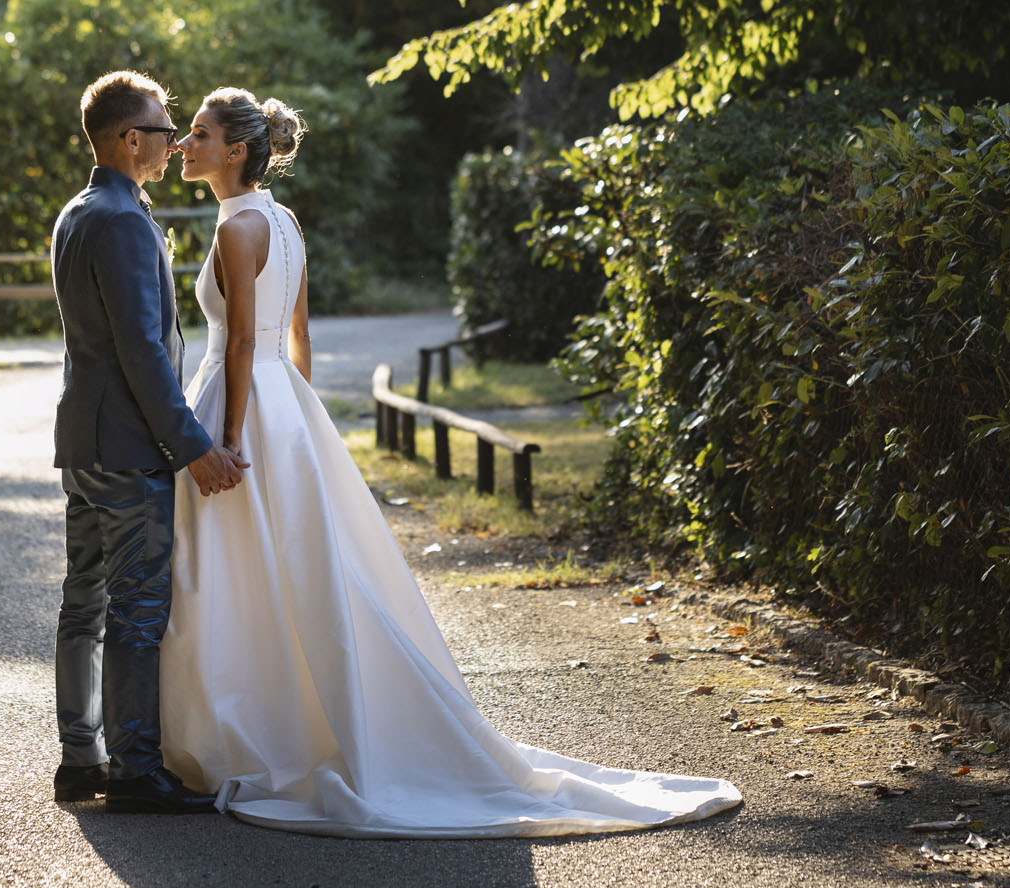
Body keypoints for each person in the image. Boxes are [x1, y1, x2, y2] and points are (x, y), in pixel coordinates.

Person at [159, 86, 743, 837]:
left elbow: (241, 342)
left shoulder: (240, 226)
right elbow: (298, 334)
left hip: (244, 404)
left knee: (231, 572)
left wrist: (235, 436)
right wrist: (300, 420)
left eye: (198, 134)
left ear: (234, 151)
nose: (184, 144)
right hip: (286, 408)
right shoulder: (284, 220)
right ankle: (275, 721)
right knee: (289, 570)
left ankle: (247, 733)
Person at [49, 70, 249, 813]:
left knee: (84, 601)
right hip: (129, 448)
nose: (171, 144)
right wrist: (190, 444)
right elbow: (140, 347)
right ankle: (135, 769)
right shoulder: (125, 220)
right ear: (132, 140)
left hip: (81, 441)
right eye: (165, 131)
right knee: (135, 608)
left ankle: (79, 759)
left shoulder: (78, 211)